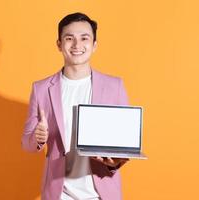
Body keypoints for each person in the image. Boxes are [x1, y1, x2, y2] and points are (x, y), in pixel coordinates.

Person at [22, 12, 129, 200]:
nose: (77, 45)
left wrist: (114, 162)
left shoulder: (115, 86)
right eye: (69, 38)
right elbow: (27, 144)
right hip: (60, 194)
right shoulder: (41, 88)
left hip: (102, 194)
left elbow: (123, 144)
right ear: (59, 44)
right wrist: (37, 138)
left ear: (94, 45)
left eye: (84, 38)